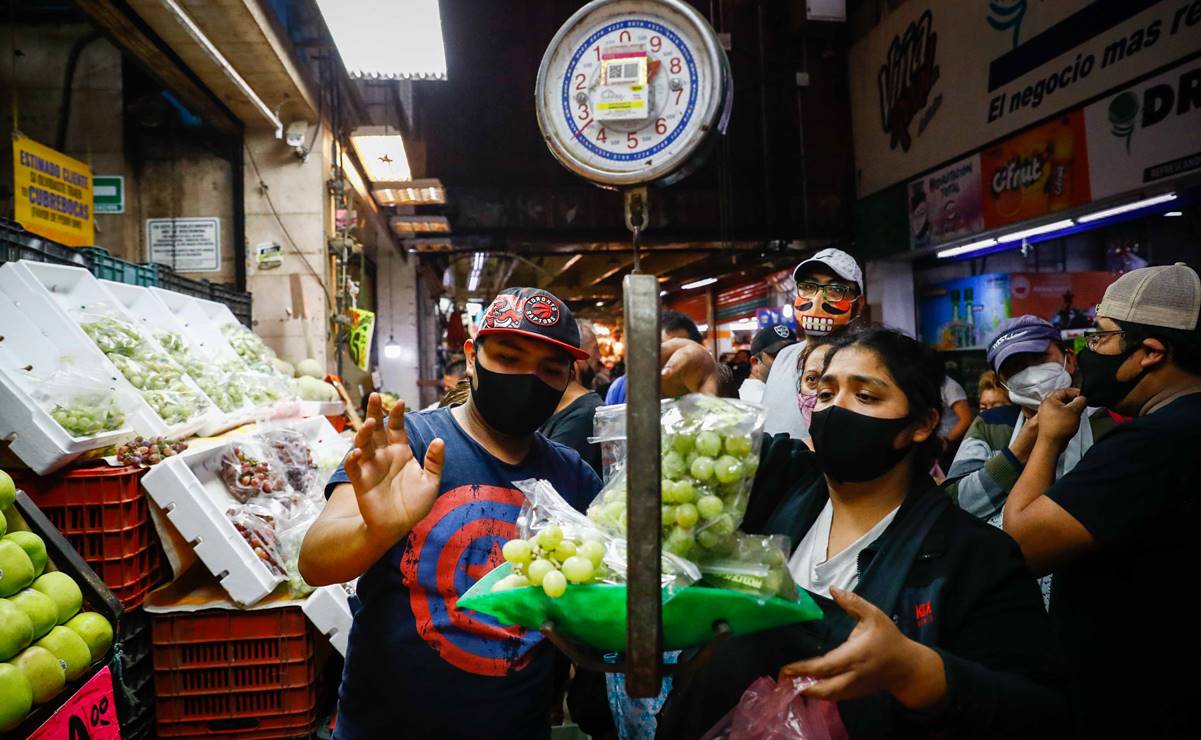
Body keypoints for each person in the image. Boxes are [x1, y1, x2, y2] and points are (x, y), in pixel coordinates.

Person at [657, 327, 1066, 739]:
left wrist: (919, 673)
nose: (836, 410)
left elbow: (1038, 712)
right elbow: (716, 456)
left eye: (866, 396)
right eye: (826, 393)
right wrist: (701, 382)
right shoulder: (780, 484)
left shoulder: (974, 558)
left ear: (921, 425)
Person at [299, 287, 604, 740]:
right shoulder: (410, 446)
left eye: (550, 369)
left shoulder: (571, 475)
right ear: (471, 357)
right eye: (507, 357)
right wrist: (375, 531)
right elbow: (314, 562)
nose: (527, 378)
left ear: (567, 378)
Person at [1001, 263, 1201, 737]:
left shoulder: (1152, 445)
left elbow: (1021, 543)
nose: (1085, 351)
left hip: (1141, 703)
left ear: (1149, 353)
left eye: (1101, 338)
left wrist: (1047, 439)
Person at [760, 248, 867, 438]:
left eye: (835, 290)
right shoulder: (785, 355)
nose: (817, 301)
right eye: (808, 287)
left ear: (858, 305)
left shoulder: (864, 362)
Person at [605, 310, 729, 404]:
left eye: (679, 350)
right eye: (663, 349)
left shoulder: (711, 382)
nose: (672, 360)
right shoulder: (622, 387)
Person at [541, 320, 606, 476]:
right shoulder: (552, 408)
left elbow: (552, 479)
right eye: (595, 349)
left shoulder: (585, 414)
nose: (598, 357)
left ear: (570, 367)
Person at [738, 323, 799, 404]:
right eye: (777, 356)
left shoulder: (777, 391)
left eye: (791, 354)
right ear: (755, 362)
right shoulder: (755, 399)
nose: (787, 360)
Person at [936, 372, 971, 467]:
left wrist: (946, 440)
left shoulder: (950, 387)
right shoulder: (928, 384)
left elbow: (966, 419)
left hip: (950, 445)